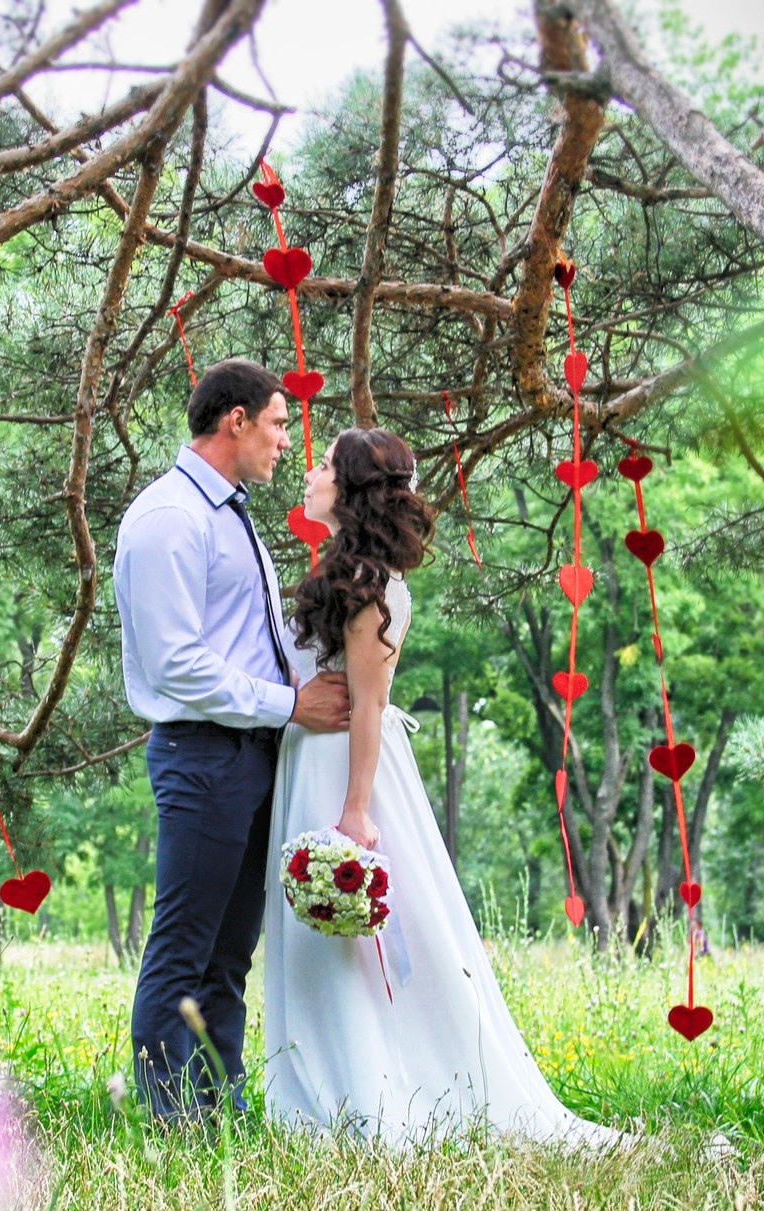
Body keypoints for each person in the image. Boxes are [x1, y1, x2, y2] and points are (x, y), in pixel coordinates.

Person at [261, 427, 625, 1148]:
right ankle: (315, 1084)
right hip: (306, 757)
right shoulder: (337, 569)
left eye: (327, 464)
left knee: (362, 933)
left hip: (346, 770)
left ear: (355, 487)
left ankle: (370, 1089)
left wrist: (355, 811)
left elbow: (368, 703)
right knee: (316, 938)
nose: (312, 470)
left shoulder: (379, 587)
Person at [115, 360, 350, 1118]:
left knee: (228, 954)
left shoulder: (230, 512)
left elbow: (248, 638)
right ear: (236, 421)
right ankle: (168, 1118)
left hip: (251, 755)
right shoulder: (168, 518)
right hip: (203, 754)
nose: (286, 440)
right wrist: (291, 705)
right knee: (183, 947)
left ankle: (220, 1107)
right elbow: (177, 663)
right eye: (279, 423)